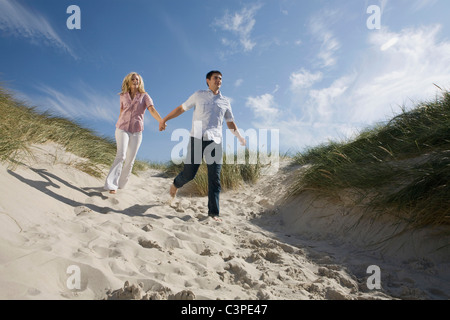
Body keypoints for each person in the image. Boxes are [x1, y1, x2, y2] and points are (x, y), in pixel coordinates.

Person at [159, 71, 246, 221]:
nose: (218, 80)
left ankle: (214, 213)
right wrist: (165, 119)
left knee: (214, 178)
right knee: (189, 174)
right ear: (208, 81)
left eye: (220, 79)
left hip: (215, 141)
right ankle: (175, 184)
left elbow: (230, 122)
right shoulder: (198, 95)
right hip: (197, 138)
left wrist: (239, 136)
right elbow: (182, 108)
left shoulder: (225, 101)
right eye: (215, 78)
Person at [105, 72, 166, 194]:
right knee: (121, 155)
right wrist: (118, 124)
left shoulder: (145, 96)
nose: (135, 81)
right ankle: (112, 185)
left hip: (137, 131)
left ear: (140, 82)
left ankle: (121, 184)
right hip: (122, 128)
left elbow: (152, 109)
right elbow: (122, 111)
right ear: (128, 81)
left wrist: (161, 121)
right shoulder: (123, 96)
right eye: (133, 79)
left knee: (130, 159)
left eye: (137, 79)